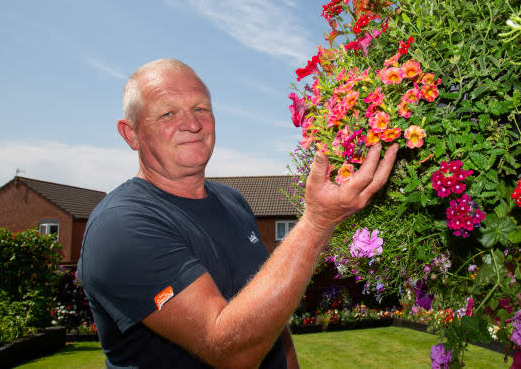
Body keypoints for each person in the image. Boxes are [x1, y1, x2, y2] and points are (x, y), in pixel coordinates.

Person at [78, 58, 398, 368]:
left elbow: (270, 319)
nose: (192, 124)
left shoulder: (233, 201)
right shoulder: (120, 227)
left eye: (201, 108)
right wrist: (317, 222)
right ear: (130, 133)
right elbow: (230, 352)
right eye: (167, 113)